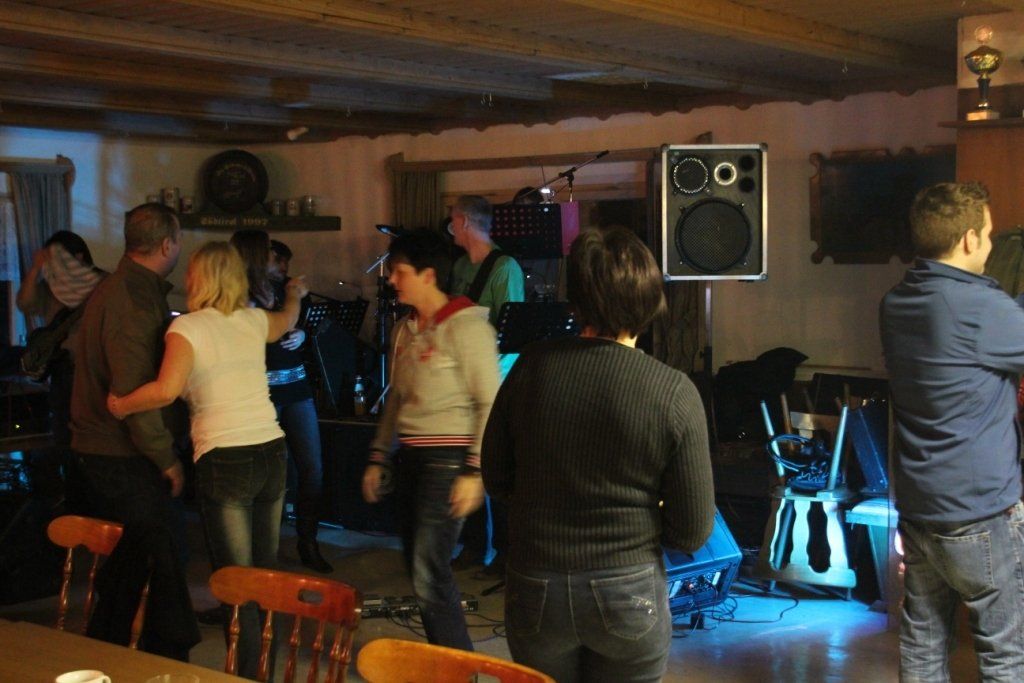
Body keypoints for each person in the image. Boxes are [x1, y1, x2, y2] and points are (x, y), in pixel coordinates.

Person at [481, 227, 716, 683]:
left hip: (536, 582)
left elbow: (497, 478)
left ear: (576, 304)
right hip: (629, 587)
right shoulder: (673, 391)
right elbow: (691, 531)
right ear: (651, 301)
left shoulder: (531, 367)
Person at [107, 240, 306, 680]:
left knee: (237, 581)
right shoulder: (253, 319)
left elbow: (165, 390)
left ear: (200, 278)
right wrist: (295, 292)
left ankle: (247, 676)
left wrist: (121, 405)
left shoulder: (188, 327)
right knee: (265, 574)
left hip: (225, 456)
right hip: (271, 449)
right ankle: (265, 671)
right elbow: (288, 319)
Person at [879, 182, 1024, 682]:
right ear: (968, 239)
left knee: (923, 642)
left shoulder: (896, 302)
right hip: (979, 511)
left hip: (919, 508)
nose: (991, 243)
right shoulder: (980, 309)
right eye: (989, 233)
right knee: (1005, 653)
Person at [361, 229, 499, 651]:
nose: (391, 279)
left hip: (449, 459)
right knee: (420, 567)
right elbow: (396, 400)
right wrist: (379, 456)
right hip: (413, 458)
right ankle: (450, 661)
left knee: (428, 569)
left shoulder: (468, 327)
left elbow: (489, 403)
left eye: (399, 271)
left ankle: (457, 667)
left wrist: (475, 472)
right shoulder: (405, 329)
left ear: (428, 275)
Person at [69, 202, 196, 659]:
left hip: (109, 448)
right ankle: (164, 659)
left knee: (136, 560)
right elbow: (134, 393)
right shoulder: (132, 299)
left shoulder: (123, 288)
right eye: (178, 240)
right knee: (161, 556)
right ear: (166, 244)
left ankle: (111, 651)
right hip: (121, 452)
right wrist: (166, 458)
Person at [231, 230, 331, 573]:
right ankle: (265, 548)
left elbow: (305, 323)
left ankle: (308, 541)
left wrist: (303, 333)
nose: (277, 261)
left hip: (297, 387)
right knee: (271, 473)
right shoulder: (240, 295)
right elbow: (265, 330)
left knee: (312, 467)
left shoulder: (285, 288)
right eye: (271, 255)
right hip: (263, 393)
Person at [447, 194, 524, 570]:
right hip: (462, 377)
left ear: (464, 221)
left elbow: (513, 331)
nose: (450, 227)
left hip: (496, 379)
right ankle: (474, 545)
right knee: (468, 462)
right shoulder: (461, 265)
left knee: (497, 466)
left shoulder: (504, 267)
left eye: (453, 220)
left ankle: (507, 552)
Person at [17, 230, 104, 512]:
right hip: (63, 372)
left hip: (92, 372)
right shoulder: (51, 288)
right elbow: (25, 304)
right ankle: (74, 500)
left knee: (90, 441)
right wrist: (35, 268)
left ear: (79, 257)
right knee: (65, 440)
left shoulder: (103, 285)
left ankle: (89, 501)